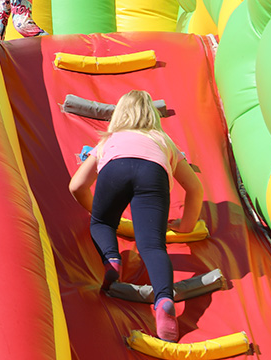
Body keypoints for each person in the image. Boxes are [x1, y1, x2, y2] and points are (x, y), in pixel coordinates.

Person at [68, 90, 203, 343]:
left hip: (115, 169)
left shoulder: (109, 140)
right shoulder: (163, 139)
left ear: (118, 115)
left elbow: (76, 186)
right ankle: (164, 299)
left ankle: (111, 258)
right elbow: (195, 188)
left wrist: (96, 212)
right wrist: (186, 226)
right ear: (152, 115)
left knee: (102, 222)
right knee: (152, 246)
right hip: (152, 174)